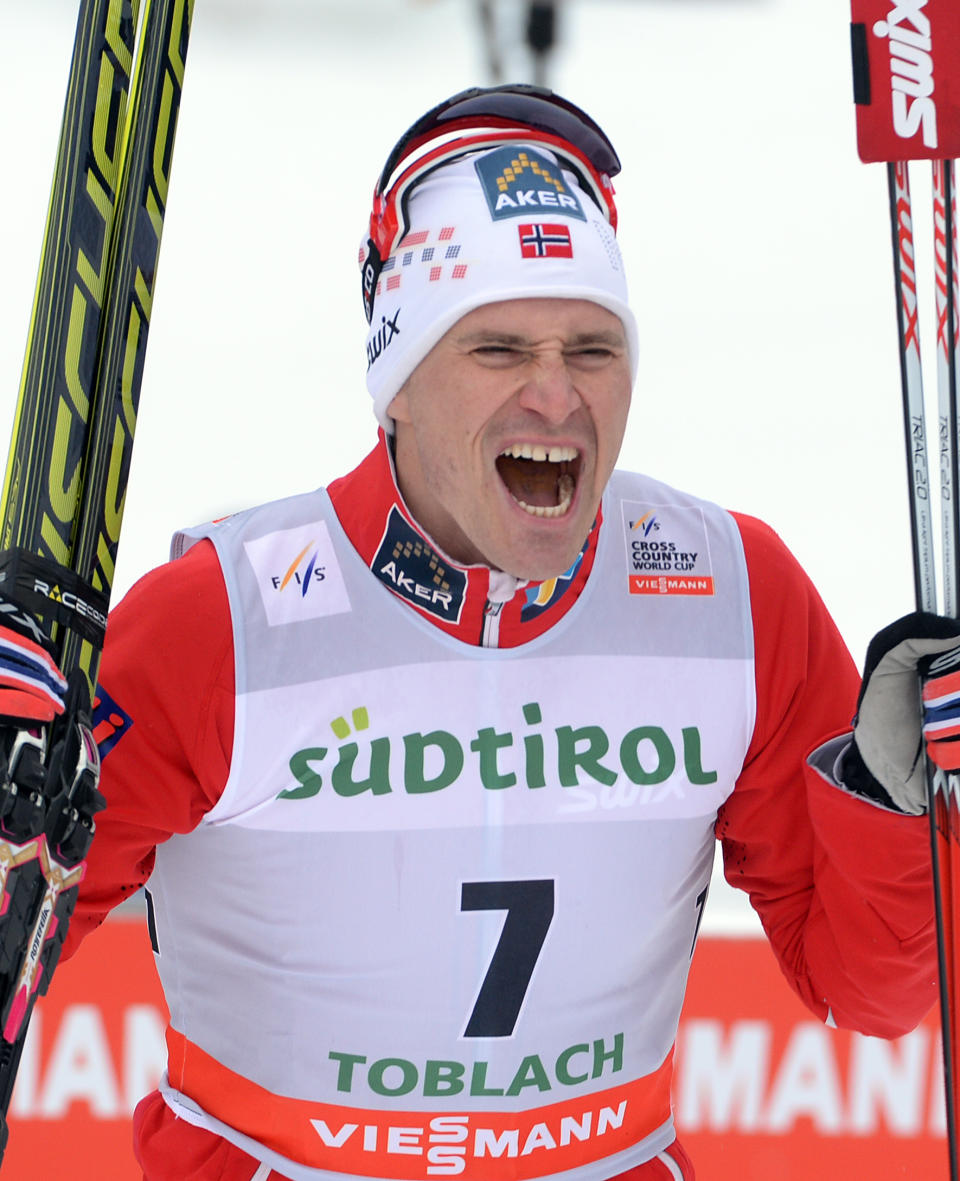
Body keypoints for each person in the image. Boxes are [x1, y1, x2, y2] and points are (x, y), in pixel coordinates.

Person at [4, 84, 960, 1181]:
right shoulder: (221, 622)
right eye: (499, 346)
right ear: (397, 383)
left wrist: (904, 804)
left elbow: (871, 990)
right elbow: (21, 931)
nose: (556, 396)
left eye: (593, 349)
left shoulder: (735, 595)